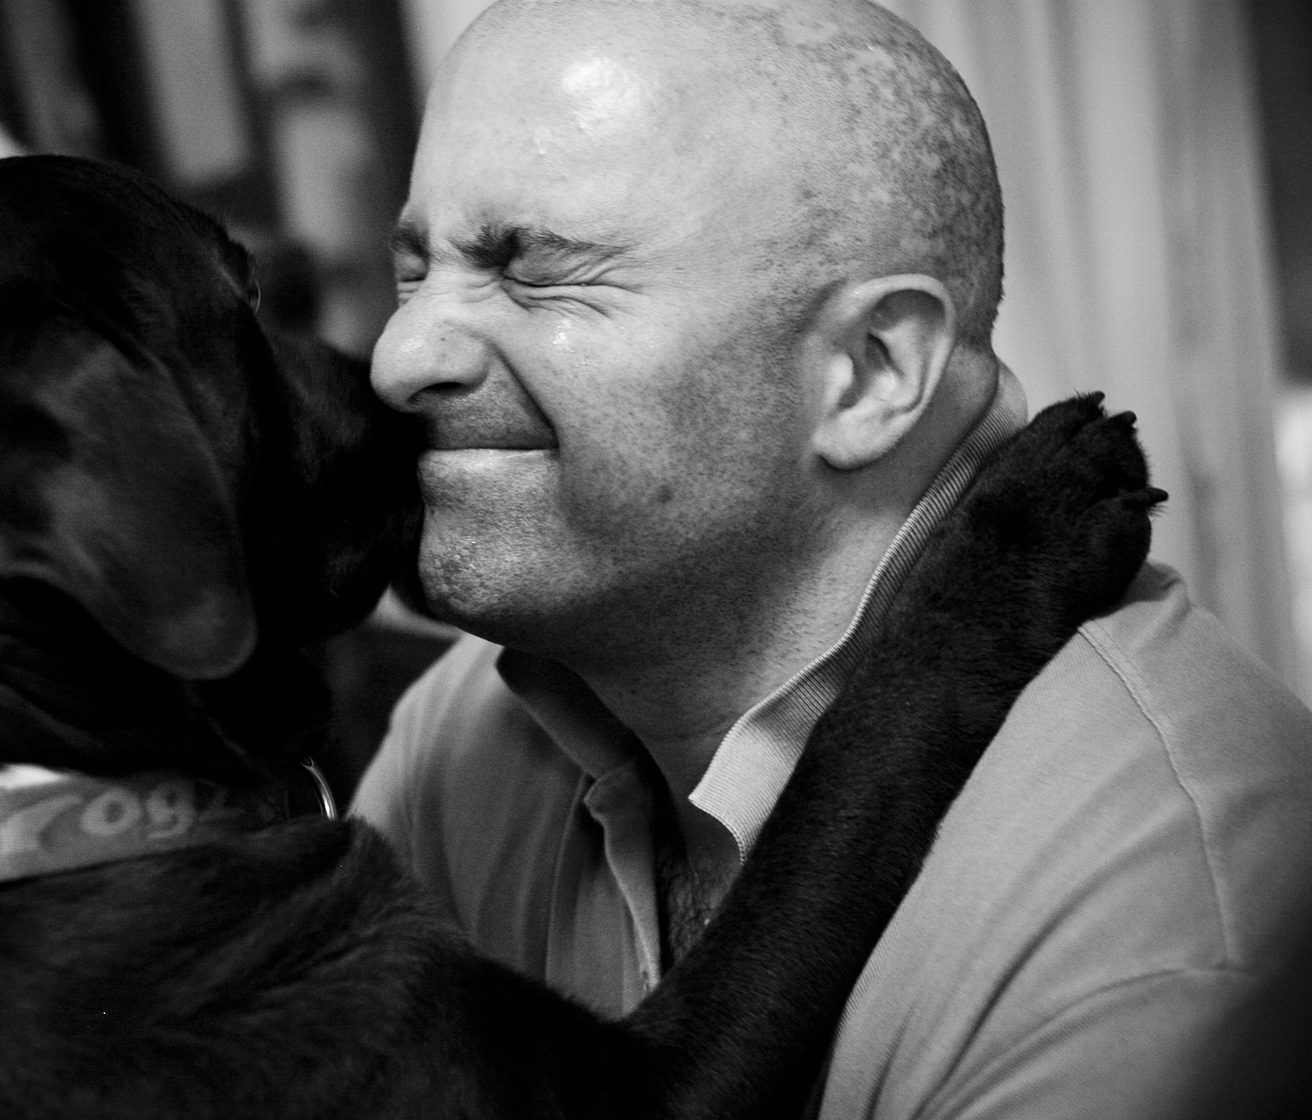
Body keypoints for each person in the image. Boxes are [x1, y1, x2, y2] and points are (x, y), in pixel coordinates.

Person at [351, 0, 1312, 1115]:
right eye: (413, 272)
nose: (397, 357)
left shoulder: (1154, 921)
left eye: (538, 272)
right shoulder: (462, 730)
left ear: (867, 371)